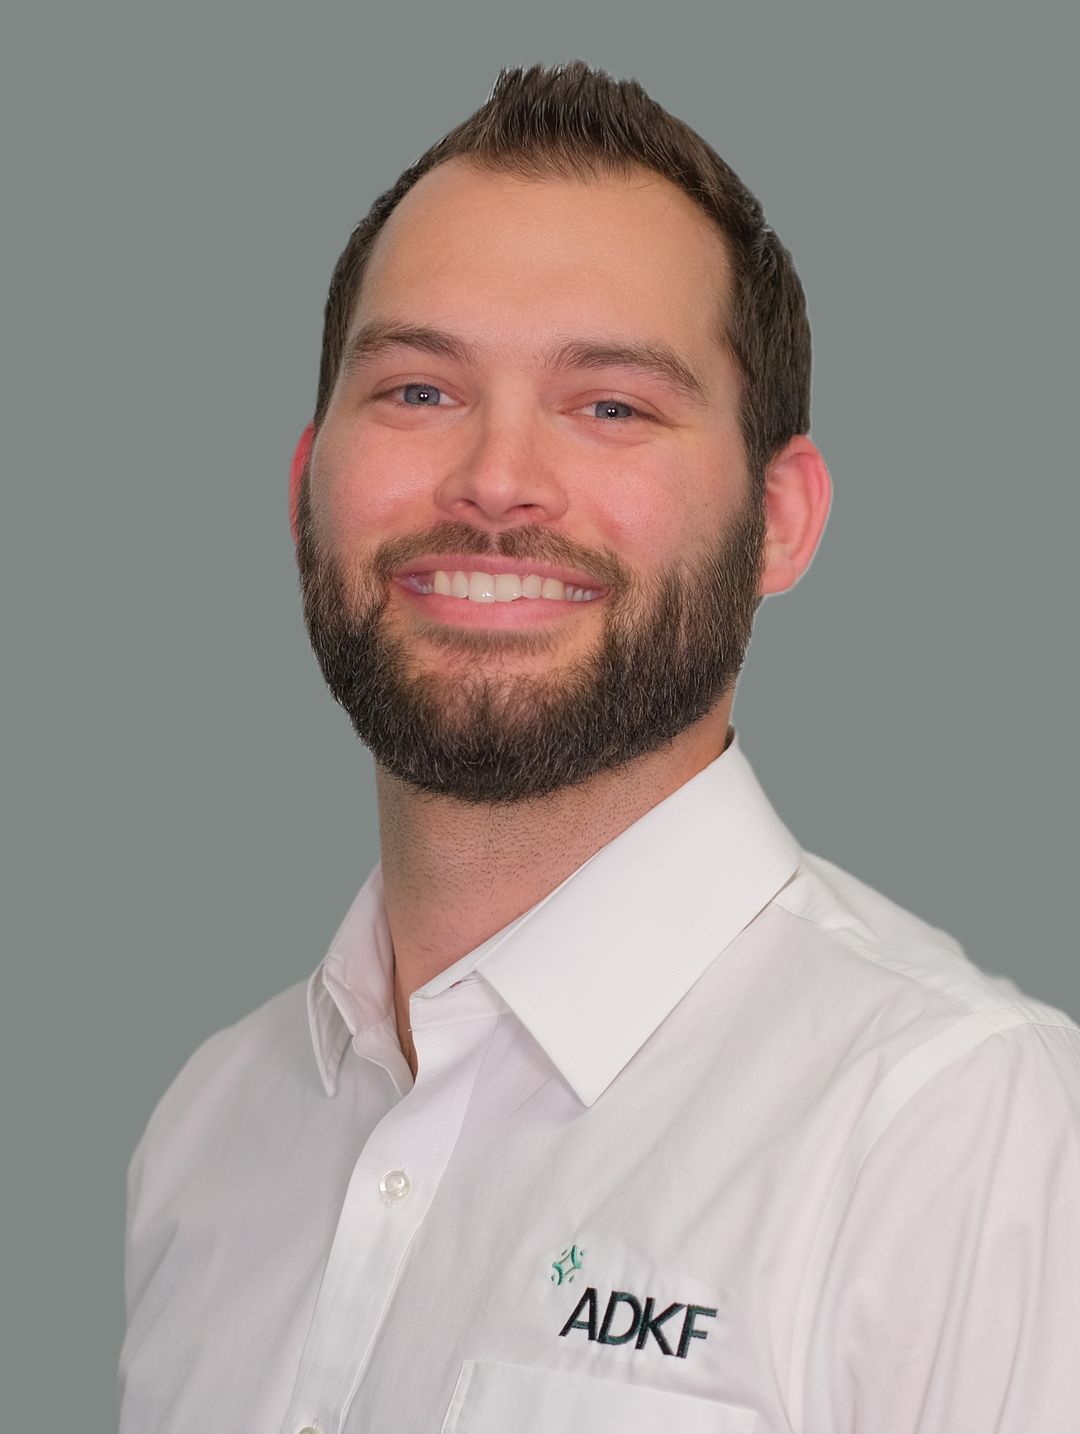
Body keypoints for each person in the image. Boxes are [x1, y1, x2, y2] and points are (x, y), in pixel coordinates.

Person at [119, 61, 1080, 1434]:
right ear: (304, 485)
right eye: (415, 390)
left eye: (612, 404)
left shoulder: (965, 1136)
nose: (497, 479)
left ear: (783, 518)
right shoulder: (207, 1132)